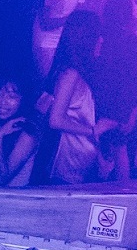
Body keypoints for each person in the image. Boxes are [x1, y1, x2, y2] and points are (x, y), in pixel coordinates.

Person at [44, 10, 106, 184]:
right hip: (65, 162)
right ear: (86, 38)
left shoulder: (79, 71)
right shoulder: (70, 74)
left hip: (79, 159)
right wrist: (93, 131)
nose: (101, 40)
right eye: (98, 35)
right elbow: (55, 120)